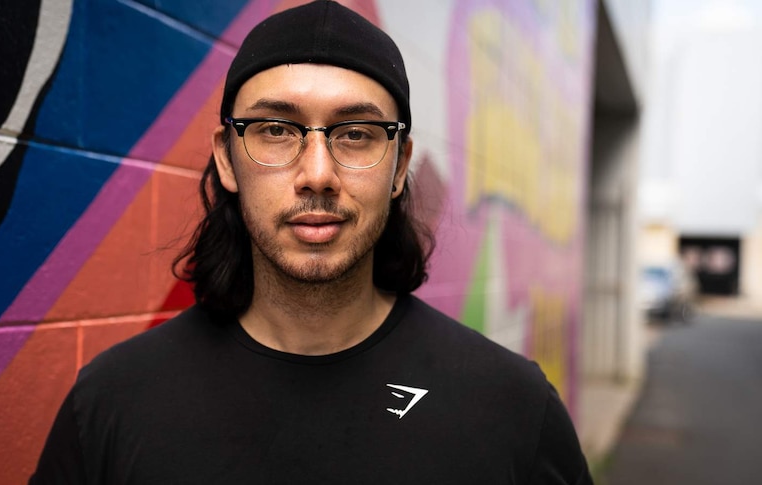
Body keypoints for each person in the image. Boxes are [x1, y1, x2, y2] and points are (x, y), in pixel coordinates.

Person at [30, 1, 593, 483]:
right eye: (276, 129)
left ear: (399, 168)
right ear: (227, 158)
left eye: (356, 134)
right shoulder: (112, 403)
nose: (318, 174)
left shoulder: (513, 407)